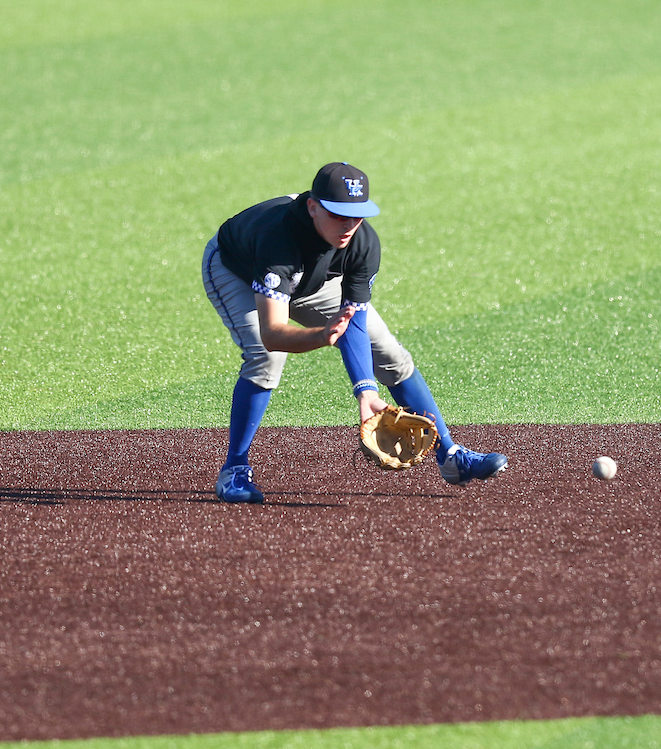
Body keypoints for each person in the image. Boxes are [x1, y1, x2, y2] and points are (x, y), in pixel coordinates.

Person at [201, 162, 508, 503]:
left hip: (315, 277)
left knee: (390, 355)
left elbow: (355, 322)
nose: (348, 225)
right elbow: (273, 333)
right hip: (239, 270)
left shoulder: (362, 243)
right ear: (313, 207)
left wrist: (366, 392)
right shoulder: (277, 242)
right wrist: (322, 335)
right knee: (266, 358)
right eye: (338, 214)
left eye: (357, 215)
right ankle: (234, 469)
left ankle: (450, 457)